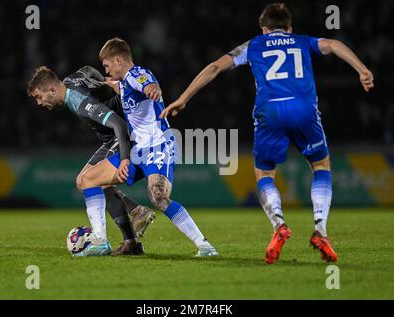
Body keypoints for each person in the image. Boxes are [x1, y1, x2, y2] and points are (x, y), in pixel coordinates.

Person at [161, 3, 374, 264]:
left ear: (264, 29)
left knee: (264, 173)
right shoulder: (302, 41)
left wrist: (183, 98)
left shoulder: (254, 45)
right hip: (304, 109)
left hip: (269, 111)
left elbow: (215, 67)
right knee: (321, 166)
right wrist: (361, 69)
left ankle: (279, 224)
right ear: (289, 27)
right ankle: (321, 228)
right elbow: (331, 44)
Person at [93, 37, 218, 257]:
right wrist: (100, 82)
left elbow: (148, 84)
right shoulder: (123, 82)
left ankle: (204, 245)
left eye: (107, 65)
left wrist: (152, 89)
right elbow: (116, 85)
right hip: (138, 150)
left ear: (118, 60)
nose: (107, 69)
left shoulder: (136, 75)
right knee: (93, 179)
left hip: (158, 145)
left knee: (158, 197)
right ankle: (123, 226)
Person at [27, 65, 156, 256]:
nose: (39, 103)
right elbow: (88, 70)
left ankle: (104, 240)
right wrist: (104, 83)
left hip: (125, 132)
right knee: (84, 181)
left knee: (91, 180)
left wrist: (124, 159)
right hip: (110, 139)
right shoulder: (71, 80)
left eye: (39, 96)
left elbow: (118, 124)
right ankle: (132, 234)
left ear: (52, 90)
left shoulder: (79, 102)